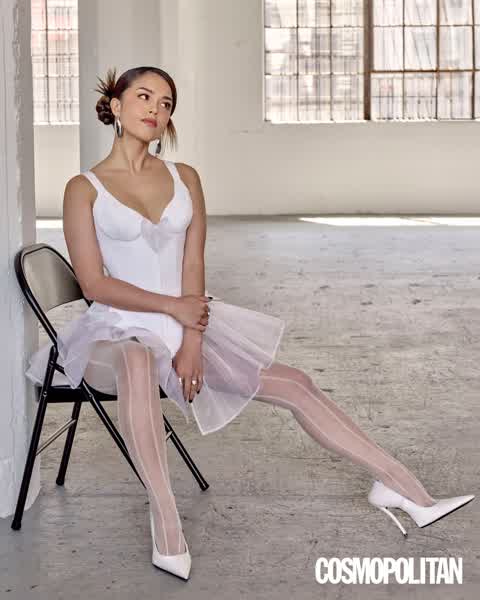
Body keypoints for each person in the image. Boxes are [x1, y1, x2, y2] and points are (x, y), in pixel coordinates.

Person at [25, 66, 475, 581]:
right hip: (113, 332)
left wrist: (191, 338)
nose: (156, 109)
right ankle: (166, 522)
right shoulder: (83, 188)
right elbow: (94, 284)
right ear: (116, 105)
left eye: (167, 103)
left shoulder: (184, 177)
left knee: (295, 383)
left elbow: (193, 264)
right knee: (135, 357)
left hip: (183, 325)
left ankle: (400, 486)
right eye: (145, 96)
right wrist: (173, 308)